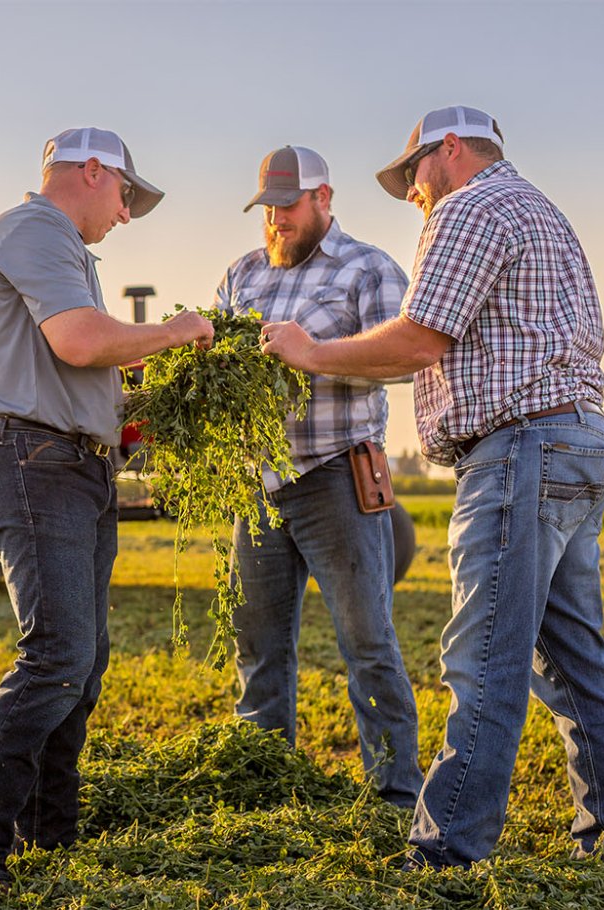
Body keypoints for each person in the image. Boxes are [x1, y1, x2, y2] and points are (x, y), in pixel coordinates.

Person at [259, 106, 604, 867]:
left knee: (484, 658)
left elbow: (419, 339)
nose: (411, 191)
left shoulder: (468, 207)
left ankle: (446, 851)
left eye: (412, 174)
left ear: (448, 151)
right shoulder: (543, 210)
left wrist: (310, 353)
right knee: (572, 659)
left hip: (520, 448)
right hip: (577, 438)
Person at [0, 127, 214, 904]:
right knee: (55, 657)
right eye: (125, 197)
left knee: (80, 667)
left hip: (76, 467)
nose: (125, 214)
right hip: (32, 463)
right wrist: (177, 330)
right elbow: (81, 343)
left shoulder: (66, 251)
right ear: (93, 172)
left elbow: (90, 370)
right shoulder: (32, 228)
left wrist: (165, 380)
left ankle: (48, 833)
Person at [213, 145, 422, 808]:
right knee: (258, 646)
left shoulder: (368, 270)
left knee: (367, 642)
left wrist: (312, 358)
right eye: (267, 208)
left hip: (336, 476)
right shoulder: (241, 275)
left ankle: (393, 794)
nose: (276, 221)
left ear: (324, 198)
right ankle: (265, 786)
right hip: (260, 486)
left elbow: (402, 362)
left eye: (289, 206)